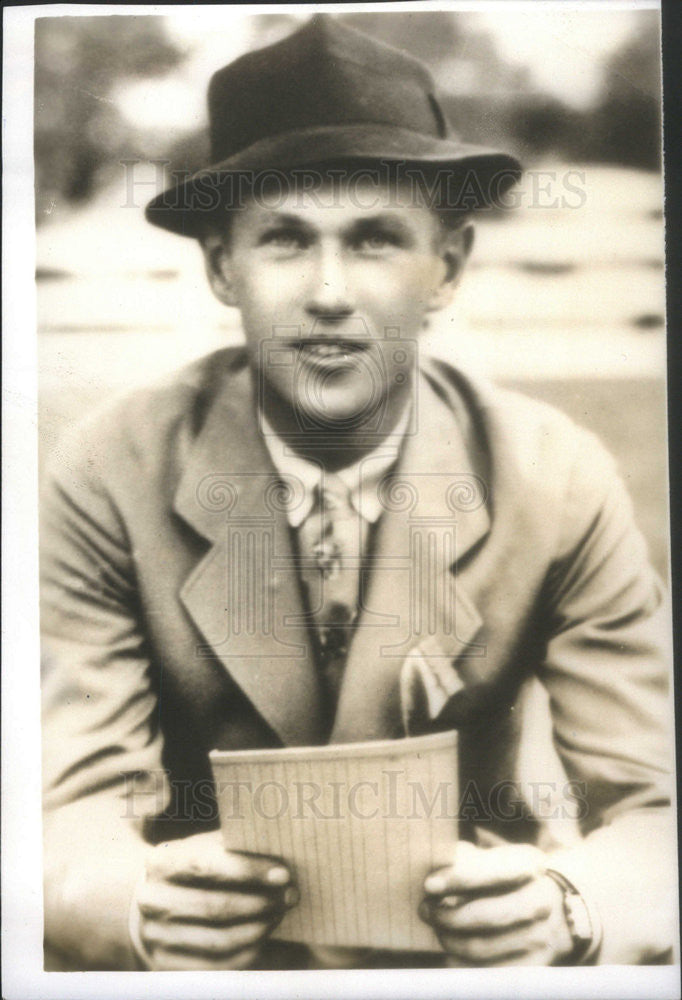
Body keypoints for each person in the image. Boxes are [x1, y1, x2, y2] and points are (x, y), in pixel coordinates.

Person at [41, 14, 675, 971]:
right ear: (222, 267)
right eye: (285, 239)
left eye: (376, 240)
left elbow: (655, 807)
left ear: (447, 269)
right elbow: (69, 808)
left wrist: (569, 907)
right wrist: (134, 901)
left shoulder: (556, 477)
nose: (330, 292)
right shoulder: (110, 473)